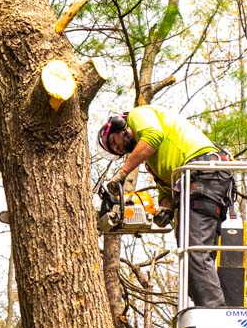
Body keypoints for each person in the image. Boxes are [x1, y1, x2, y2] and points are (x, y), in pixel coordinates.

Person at [97, 104, 233, 309]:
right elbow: (166, 191)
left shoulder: (138, 115)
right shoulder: (151, 163)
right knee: (190, 251)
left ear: (119, 125)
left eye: (113, 142)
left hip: (203, 172)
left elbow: (152, 136)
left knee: (194, 250)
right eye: (115, 151)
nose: (117, 148)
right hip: (195, 182)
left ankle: (214, 313)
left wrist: (122, 174)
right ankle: (207, 308)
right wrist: (165, 209)